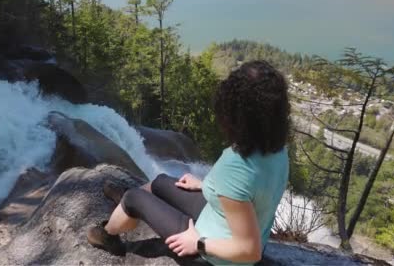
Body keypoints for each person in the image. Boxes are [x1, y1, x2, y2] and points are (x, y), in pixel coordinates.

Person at [87, 60, 290, 265]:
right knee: (160, 182)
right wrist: (207, 186)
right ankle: (127, 211)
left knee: (133, 196)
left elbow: (250, 250)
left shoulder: (236, 165)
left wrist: (198, 243)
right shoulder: (277, 147)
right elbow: (250, 191)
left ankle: (109, 234)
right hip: (223, 222)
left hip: (213, 256)